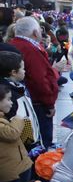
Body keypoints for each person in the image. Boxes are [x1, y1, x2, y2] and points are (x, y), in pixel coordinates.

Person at [8, 16, 59, 148]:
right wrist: (49, 104)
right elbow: (40, 80)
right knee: (42, 138)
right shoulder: (30, 49)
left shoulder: (14, 44)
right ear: (36, 32)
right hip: (37, 103)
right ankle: (42, 162)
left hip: (26, 100)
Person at [0, 84, 34, 182]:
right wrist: (18, 119)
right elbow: (12, 134)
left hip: (13, 167)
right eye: (7, 99)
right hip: (7, 171)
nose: (11, 103)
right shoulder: (3, 123)